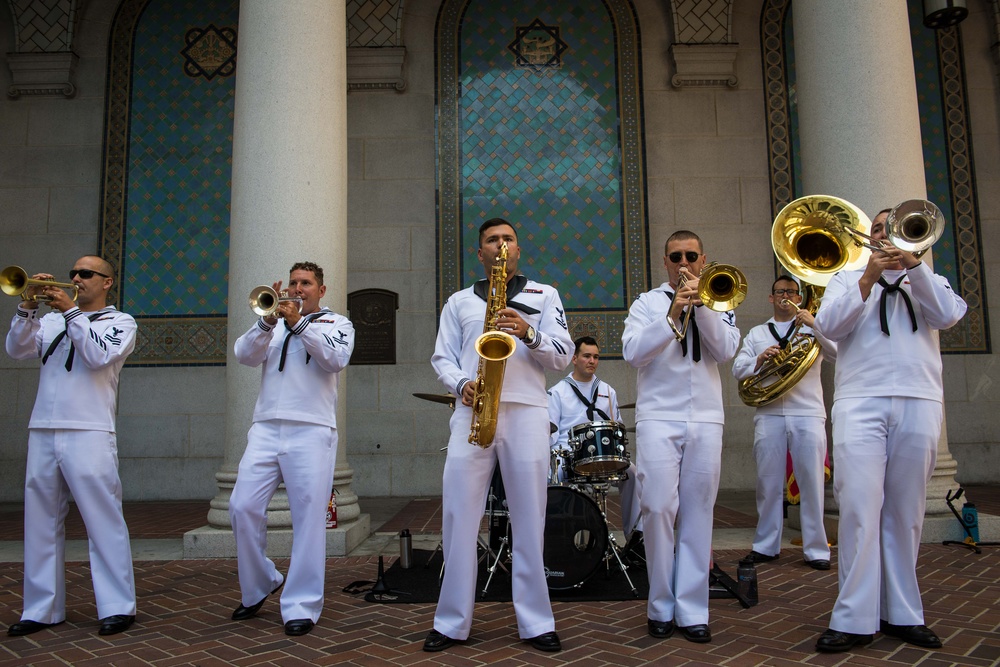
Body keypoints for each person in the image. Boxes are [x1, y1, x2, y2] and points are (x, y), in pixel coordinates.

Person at [812, 209, 967, 653]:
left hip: (918, 401)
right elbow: (829, 326)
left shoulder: (928, 277)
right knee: (860, 510)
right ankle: (853, 617)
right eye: (879, 229)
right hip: (861, 402)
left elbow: (947, 316)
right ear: (869, 237)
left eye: (893, 228)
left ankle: (902, 613)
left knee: (906, 513)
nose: (886, 235)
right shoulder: (846, 278)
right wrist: (867, 279)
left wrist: (915, 267)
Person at [424, 217, 573, 653]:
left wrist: (528, 332)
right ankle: (451, 623)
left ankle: (536, 622)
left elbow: (562, 356)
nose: (500, 244)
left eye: (508, 238)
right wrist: (459, 384)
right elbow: (442, 357)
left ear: (518, 250)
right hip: (472, 413)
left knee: (530, 520)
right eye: (492, 239)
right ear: (480, 252)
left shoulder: (544, 295)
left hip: (527, 412)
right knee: (458, 520)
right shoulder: (457, 302)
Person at [5, 256, 138, 637]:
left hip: (90, 430)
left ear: (107, 282)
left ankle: (118, 606)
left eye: (86, 274)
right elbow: (17, 349)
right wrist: (28, 306)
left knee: (103, 520)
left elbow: (98, 357)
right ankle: (42, 608)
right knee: (40, 521)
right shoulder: (48, 321)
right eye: (73, 273)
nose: (76, 278)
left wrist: (72, 313)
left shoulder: (121, 322)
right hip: (43, 428)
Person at [622, 230, 740, 643]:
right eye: (676, 257)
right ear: (665, 261)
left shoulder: (721, 299)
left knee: (698, 511)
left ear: (704, 260)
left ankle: (693, 609)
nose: (683, 263)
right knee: (656, 506)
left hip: (706, 417)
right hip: (658, 417)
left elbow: (725, 351)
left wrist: (703, 306)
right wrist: (672, 313)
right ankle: (659, 605)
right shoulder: (646, 303)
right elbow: (634, 353)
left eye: (691, 256)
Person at [228, 261, 354, 637]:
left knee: (308, 519)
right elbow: (244, 355)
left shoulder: (337, 324)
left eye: (306, 283)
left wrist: (299, 323)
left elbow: (335, 359)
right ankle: (261, 582)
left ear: (321, 290)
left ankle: (301, 604)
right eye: (294, 283)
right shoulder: (272, 323)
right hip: (266, 427)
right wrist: (268, 323)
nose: (298, 289)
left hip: (312, 430)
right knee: (241, 507)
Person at [732, 276, 836, 570]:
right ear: (771, 298)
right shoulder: (757, 333)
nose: (786, 296)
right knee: (768, 483)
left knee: (812, 482)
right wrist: (760, 360)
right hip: (769, 413)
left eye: (791, 292)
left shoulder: (812, 329)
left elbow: (838, 352)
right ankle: (766, 545)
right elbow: (738, 369)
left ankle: (817, 548)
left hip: (808, 413)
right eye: (780, 292)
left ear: (799, 298)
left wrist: (816, 324)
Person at [547, 335, 643, 541]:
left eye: (596, 357)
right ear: (574, 358)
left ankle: (635, 536)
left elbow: (617, 426)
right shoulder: (558, 392)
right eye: (587, 356)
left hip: (602, 454)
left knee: (634, 474)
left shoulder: (608, 390)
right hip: (568, 456)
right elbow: (551, 433)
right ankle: (556, 539)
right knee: (547, 477)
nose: (592, 361)